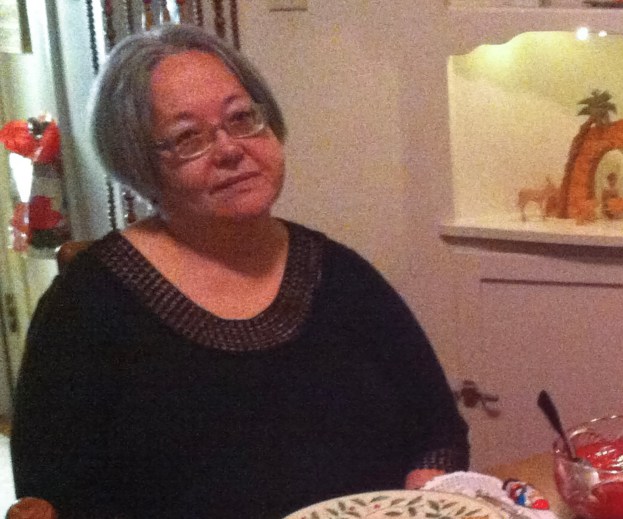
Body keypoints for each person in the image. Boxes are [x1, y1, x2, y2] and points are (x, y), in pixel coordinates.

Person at [10, 24, 469, 518]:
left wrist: (429, 488)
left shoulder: (340, 275)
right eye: (188, 138)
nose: (230, 150)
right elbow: (52, 497)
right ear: (140, 164)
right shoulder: (85, 310)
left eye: (242, 118)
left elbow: (438, 431)